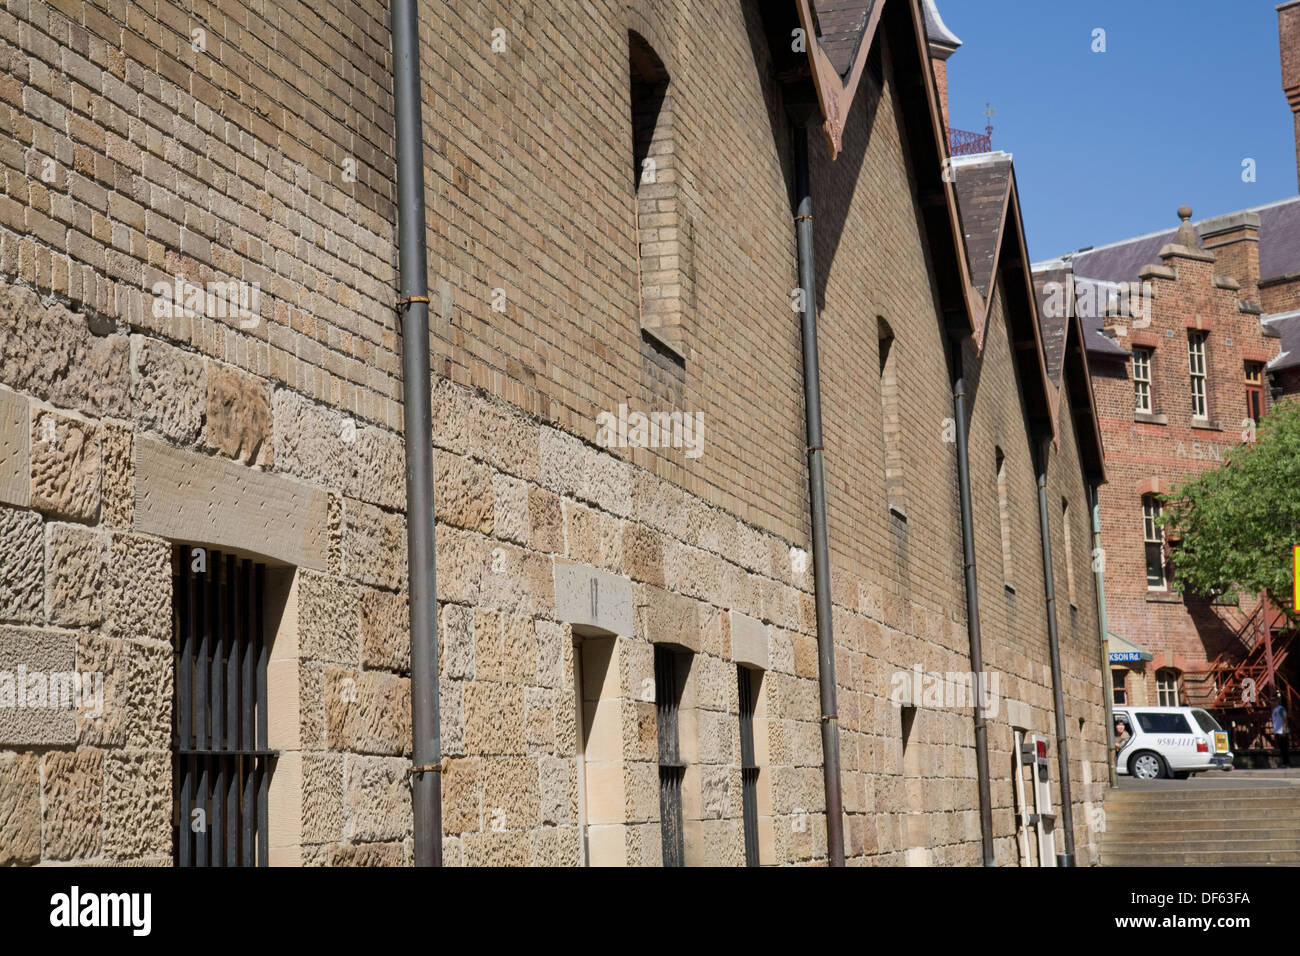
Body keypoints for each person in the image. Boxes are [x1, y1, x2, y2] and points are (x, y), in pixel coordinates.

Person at [1273, 699, 1290, 766]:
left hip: (1282, 731)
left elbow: (1285, 719)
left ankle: (1287, 763)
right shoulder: (1275, 710)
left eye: (1273, 701)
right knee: (1281, 748)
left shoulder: (1281, 709)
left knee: (1284, 748)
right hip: (1277, 731)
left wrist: (1284, 730)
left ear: (1277, 702)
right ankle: (1284, 762)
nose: (1272, 702)